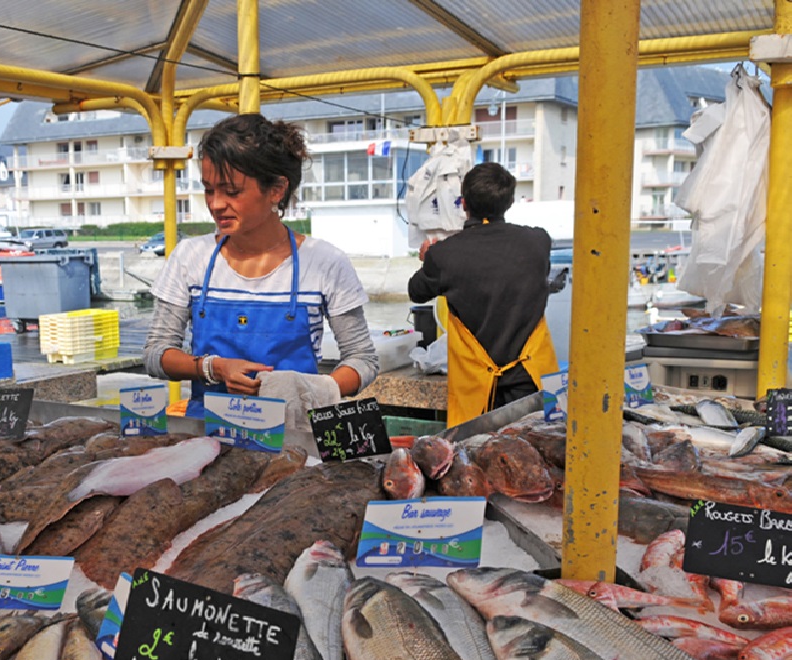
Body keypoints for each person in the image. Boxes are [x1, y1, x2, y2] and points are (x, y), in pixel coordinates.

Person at [143, 113, 379, 419]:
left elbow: (363, 360)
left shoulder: (325, 263)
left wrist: (308, 389)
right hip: (212, 436)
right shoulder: (190, 257)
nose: (215, 204)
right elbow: (155, 353)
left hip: (296, 440)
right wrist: (212, 367)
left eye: (232, 192)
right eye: (209, 189)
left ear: (277, 190)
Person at [407, 162, 558, 426]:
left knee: (477, 460)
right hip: (531, 382)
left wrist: (428, 259)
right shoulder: (538, 242)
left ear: (463, 203)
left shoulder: (445, 255)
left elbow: (416, 292)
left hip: (477, 391)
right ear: (510, 202)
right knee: (537, 454)